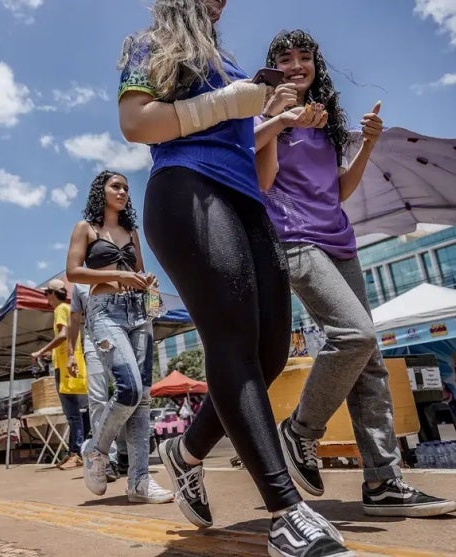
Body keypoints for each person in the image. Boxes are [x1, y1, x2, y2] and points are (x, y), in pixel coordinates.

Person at [117, 2, 351, 555]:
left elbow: (259, 167)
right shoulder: (149, 43)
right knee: (232, 345)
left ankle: (185, 453)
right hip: (186, 188)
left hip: (247, 200)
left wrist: (274, 120)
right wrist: (234, 102)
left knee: (270, 354)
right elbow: (136, 123)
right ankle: (286, 513)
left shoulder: (231, 64)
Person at [256, 29, 456, 518]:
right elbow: (261, 181)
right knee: (355, 335)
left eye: (305, 57)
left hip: (340, 241)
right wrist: (279, 121)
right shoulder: (263, 115)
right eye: (286, 58)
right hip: (293, 239)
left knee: (369, 359)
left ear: (316, 65)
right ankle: (300, 430)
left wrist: (366, 144)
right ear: (274, 67)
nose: (296, 65)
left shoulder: (325, 122)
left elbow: (339, 191)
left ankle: (384, 481)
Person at [65, 170, 173, 505]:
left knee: (143, 398)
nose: (123, 191)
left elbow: (138, 273)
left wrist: (147, 283)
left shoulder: (131, 232)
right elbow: (73, 272)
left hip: (138, 313)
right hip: (104, 312)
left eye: (126, 187)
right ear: (101, 191)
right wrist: (117, 274)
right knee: (129, 389)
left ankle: (139, 481)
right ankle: (97, 450)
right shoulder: (86, 228)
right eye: (116, 186)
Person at [69, 282, 127, 482]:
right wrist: (71, 354)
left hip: (121, 339)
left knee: (128, 394)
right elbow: (74, 319)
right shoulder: (79, 284)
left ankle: (125, 453)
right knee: (97, 400)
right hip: (93, 342)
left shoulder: (120, 274)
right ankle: (105, 459)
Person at [31, 279, 89, 469]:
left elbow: (63, 335)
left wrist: (40, 351)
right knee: (78, 412)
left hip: (65, 369)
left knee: (72, 414)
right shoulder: (67, 308)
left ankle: (76, 452)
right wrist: (51, 353)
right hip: (71, 365)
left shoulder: (60, 309)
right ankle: (76, 451)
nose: (46, 298)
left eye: (46, 293)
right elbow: (66, 339)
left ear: (53, 294)